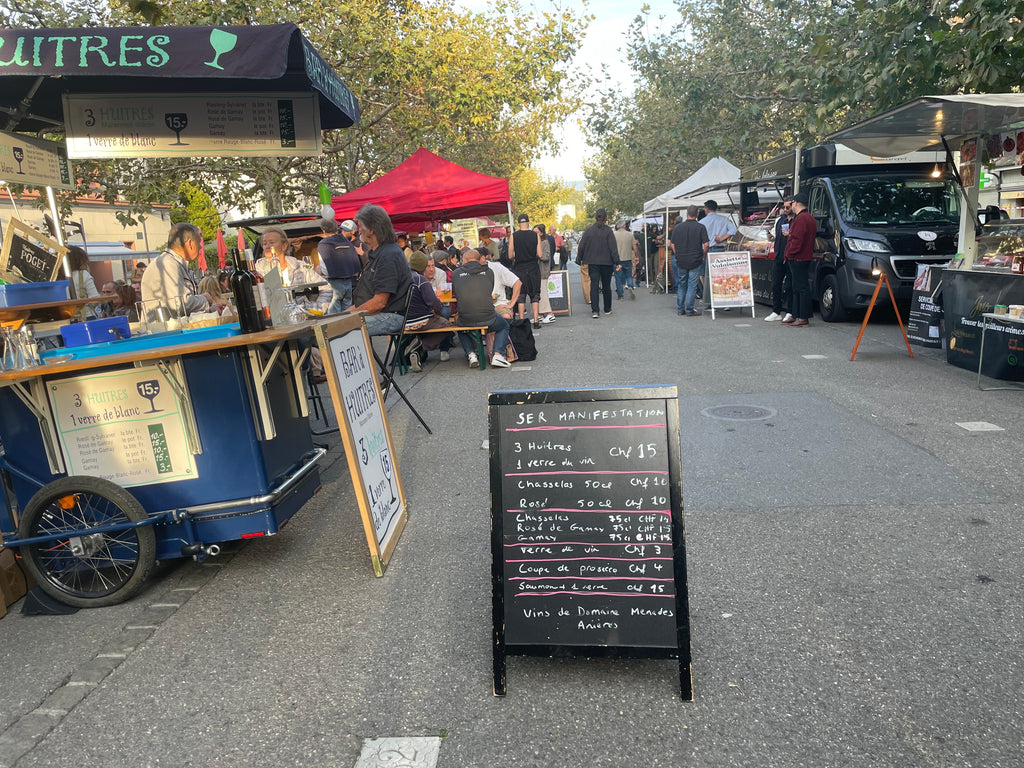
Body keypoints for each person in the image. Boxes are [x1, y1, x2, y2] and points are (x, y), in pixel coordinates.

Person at [346, 204, 413, 336]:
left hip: (391, 316)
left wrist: (346, 317)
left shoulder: (388, 255)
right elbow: (367, 301)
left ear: (371, 229)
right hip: (383, 313)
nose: (359, 231)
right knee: (334, 324)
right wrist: (341, 316)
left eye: (360, 226)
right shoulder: (383, 253)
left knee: (337, 330)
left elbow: (379, 303)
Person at [142, 222, 225, 316]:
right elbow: (178, 304)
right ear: (190, 243)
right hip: (167, 329)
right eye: (198, 242)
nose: (201, 246)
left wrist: (211, 310)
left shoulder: (173, 263)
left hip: (174, 327)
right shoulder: (167, 264)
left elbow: (183, 309)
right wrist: (204, 299)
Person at [451, 246, 511, 368]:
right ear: (479, 260)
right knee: (504, 325)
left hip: (465, 318)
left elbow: (456, 293)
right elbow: (489, 289)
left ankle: (471, 354)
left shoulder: (456, 274)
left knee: (459, 325)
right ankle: (498, 354)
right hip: (488, 316)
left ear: (466, 260)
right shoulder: (489, 272)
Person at [404, 252, 455, 372]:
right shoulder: (421, 280)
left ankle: (417, 351)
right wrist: (437, 312)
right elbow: (434, 302)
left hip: (404, 320)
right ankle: (420, 346)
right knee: (449, 326)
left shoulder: (402, 278)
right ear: (422, 266)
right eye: (427, 266)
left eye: (433, 266)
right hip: (421, 320)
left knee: (443, 317)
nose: (431, 269)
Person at [669, 206, 710, 317]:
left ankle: (680, 309)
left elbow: (672, 244)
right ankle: (690, 309)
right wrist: (703, 255)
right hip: (695, 259)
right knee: (692, 284)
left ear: (686, 214)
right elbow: (706, 245)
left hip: (681, 259)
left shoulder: (677, 228)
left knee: (682, 284)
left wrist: (678, 254)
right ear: (697, 214)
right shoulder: (701, 227)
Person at [576, 208, 617, 318]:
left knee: (594, 285)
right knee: (606, 286)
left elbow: (582, 246)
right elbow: (613, 248)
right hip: (606, 262)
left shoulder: (589, 231)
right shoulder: (608, 231)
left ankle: (595, 311)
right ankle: (607, 308)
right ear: (605, 218)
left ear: (595, 217)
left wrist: (579, 259)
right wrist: (617, 261)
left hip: (592, 261)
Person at [782, 190, 815, 327]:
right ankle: (797, 314)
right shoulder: (808, 217)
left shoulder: (802, 218)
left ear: (795, 203)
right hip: (802, 257)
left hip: (798, 258)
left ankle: (802, 316)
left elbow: (797, 240)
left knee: (800, 287)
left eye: (792, 203)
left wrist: (789, 254)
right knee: (797, 287)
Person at [317, 218, 363, 314]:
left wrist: (322, 274)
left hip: (334, 282)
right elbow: (354, 260)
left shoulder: (324, 244)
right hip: (348, 281)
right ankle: (348, 328)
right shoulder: (346, 241)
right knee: (347, 310)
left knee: (334, 312)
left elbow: (324, 265)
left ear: (323, 230)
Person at [509, 214, 543, 329]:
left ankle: (522, 320)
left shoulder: (513, 236)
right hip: (533, 267)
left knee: (521, 295)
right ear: (528, 223)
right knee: (535, 295)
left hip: (519, 269)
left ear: (518, 224)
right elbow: (540, 254)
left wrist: (517, 257)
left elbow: (510, 255)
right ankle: (536, 321)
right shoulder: (535, 235)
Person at [764, 197, 794, 322]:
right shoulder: (781, 220)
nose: (785, 210)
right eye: (784, 207)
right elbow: (776, 237)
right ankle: (776, 310)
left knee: (790, 285)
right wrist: (770, 235)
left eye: (788, 207)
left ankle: (790, 311)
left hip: (791, 256)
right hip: (779, 255)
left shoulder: (796, 220)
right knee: (776, 283)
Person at [67, 245, 100, 315]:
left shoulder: (57, 278)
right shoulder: (84, 275)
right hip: (86, 316)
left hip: (67, 318)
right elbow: (95, 298)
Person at [534, 223, 556, 324]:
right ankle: (540, 314)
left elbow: (547, 257)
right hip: (536, 271)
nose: (534, 234)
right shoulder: (535, 242)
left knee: (543, 293)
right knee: (539, 292)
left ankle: (550, 314)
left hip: (543, 270)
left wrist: (539, 254)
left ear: (541, 233)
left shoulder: (545, 242)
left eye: (537, 232)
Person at [613, 219, 638, 300]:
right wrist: (636, 256)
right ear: (624, 226)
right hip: (627, 258)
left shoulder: (613, 234)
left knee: (618, 278)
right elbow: (635, 247)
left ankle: (620, 295)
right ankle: (630, 286)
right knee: (629, 275)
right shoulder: (630, 234)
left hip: (617, 260)